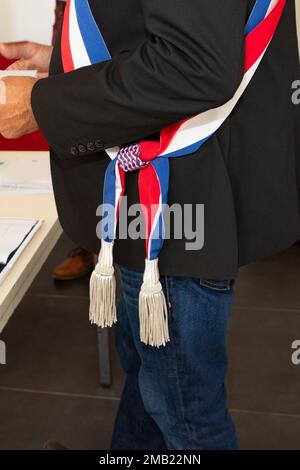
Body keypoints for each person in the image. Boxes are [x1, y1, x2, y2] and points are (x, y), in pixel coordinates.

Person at [0, 0, 299, 450]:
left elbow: (195, 64)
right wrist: (67, 64)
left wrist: (44, 105)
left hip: (177, 203)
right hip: (157, 200)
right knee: (152, 380)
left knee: (185, 411)